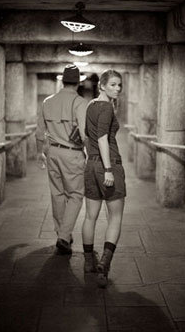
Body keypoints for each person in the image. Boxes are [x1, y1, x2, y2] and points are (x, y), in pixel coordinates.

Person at [81, 69, 126, 288]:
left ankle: (88, 262)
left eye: (120, 85)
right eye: (113, 85)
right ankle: (103, 267)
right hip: (108, 164)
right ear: (102, 85)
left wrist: (92, 161)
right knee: (115, 217)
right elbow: (100, 138)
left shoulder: (90, 106)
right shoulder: (107, 107)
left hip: (90, 165)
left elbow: (85, 136)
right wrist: (108, 169)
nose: (117, 88)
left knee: (90, 216)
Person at [36, 64, 88, 255]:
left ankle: (61, 232)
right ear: (77, 83)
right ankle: (64, 236)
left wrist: (39, 152)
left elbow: (39, 131)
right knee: (75, 194)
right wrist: (92, 155)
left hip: (53, 152)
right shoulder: (80, 103)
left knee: (57, 193)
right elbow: (84, 134)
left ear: (63, 81)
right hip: (72, 153)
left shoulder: (47, 101)